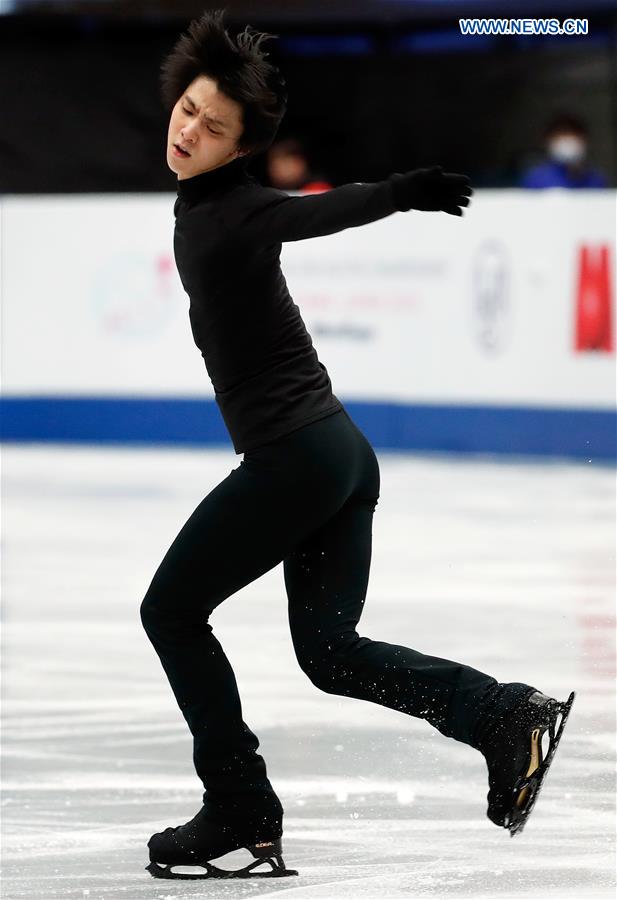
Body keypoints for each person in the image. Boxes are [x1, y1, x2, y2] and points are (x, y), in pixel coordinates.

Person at [140, 8, 576, 881]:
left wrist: (393, 193)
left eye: (213, 126)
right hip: (338, 453)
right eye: (189, 110)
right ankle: (500, 716)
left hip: (295, 460)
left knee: (171, 612)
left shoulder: (235, 213)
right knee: (330, 653)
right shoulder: (206, 208)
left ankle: (237, 803)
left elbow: (308, 214)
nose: (191, 130)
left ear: (239, 148)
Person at [520, 113, 608, 189]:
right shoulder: (536, 178)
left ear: (584, 140)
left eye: (572, 135)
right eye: (561, 135)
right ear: (549, 141)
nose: (567, 141)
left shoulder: (596, 179)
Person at [266, 136, 333, 192]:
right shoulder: (268, 194)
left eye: (285, 162)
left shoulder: (318, 190)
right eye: (272, 164)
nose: (276, 170)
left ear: (300, 163)